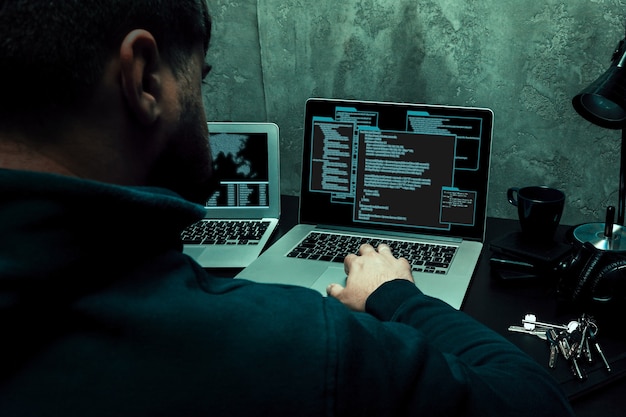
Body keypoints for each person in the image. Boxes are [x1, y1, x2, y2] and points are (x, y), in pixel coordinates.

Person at [0, 1, 574, 416]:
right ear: (144, 76)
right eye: (201, 83)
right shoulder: (297, 345)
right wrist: (396, 294)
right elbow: (535, 403)